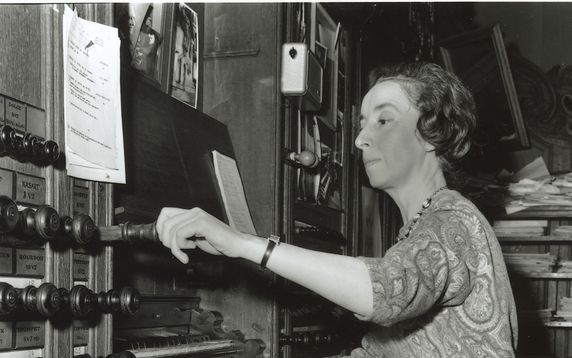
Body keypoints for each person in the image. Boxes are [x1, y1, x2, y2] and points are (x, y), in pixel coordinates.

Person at [156, 62, 518, 357]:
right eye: (362, 124)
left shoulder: (454, 221)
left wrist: (244, 244)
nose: (360, 139)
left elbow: (388, 290)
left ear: (431, 133)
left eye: (383, 120)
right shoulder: (420, 227)